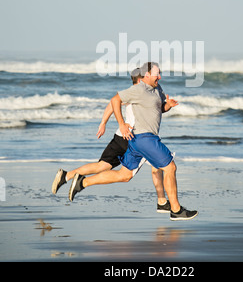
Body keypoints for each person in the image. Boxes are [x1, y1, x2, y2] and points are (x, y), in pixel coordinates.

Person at [67, 62, 198, 221]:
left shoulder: (158, 89)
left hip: (138, 141)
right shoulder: (139, 89)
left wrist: (168, 106)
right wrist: (121, 124)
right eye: (157, 74)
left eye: (160, 74)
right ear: (146, 75)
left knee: (125, 175)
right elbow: (115, 100)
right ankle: (176, 210)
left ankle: (83, 183)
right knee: (170, 167)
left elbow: (159, 108)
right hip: (144, 137)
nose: (160, 77)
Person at [52, 68, 171, 213]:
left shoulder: (133, 92)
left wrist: (103, 123)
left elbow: (112, 103)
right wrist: (118, 123)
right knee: (156, 167)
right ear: (141, 80)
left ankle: (67, 175)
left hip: (120, 136)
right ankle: (162, 201)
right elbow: (114, 102)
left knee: (102, 165)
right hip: (134, 138)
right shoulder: (139, 92)